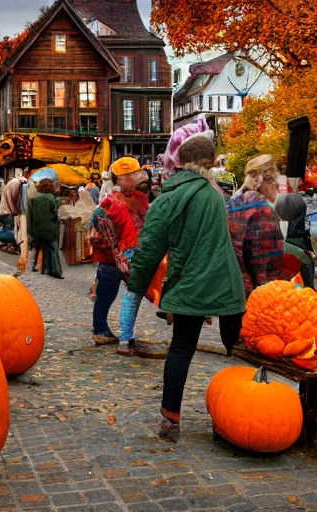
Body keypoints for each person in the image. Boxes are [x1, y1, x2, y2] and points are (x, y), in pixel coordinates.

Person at [128, 135, 246, 442]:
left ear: (179, 163)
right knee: (237, 348)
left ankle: (171, 420)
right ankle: (239, 413)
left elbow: (150, 246)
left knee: (181, 348)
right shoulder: (216, 193)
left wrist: (136, 286)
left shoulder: (169, 197)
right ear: (211, 162)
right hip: (226, 283)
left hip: (190, 282)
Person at [90, 157, 149, 349]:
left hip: (110, 258)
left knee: (106, 295)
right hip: (124, 256)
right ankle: (114, 334)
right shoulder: (134, 201)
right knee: (129, 294)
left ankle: (101, 330)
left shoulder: (109, 200)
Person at [227, 154, 298, 297]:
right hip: (258, 291)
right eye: (274, 183)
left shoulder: (233, 201)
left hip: (234, 284)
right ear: (264, 180)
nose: (276, 188)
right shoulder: (262, 209)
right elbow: (268, 261)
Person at [27, 178, 63, 279]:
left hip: (37, 229)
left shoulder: (34, 198)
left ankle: (40, 267)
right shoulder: (51, 198)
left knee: (39, 246)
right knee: (52, 248)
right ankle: (54, 271)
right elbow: (56, 213)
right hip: (50, 230)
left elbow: (31, 214)